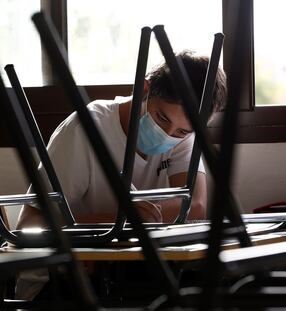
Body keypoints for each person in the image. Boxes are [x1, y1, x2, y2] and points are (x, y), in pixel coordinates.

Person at [15, 50, 227, 300]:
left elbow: (195, 207)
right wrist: (117, 221)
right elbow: (28, 226)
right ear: (144, 90)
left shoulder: (183, 136)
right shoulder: (87, 128)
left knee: (210, 286)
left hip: (129, 272)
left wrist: (145, 217)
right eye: (161, 118)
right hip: (60, 281)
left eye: (181, 132)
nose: (168, 134)